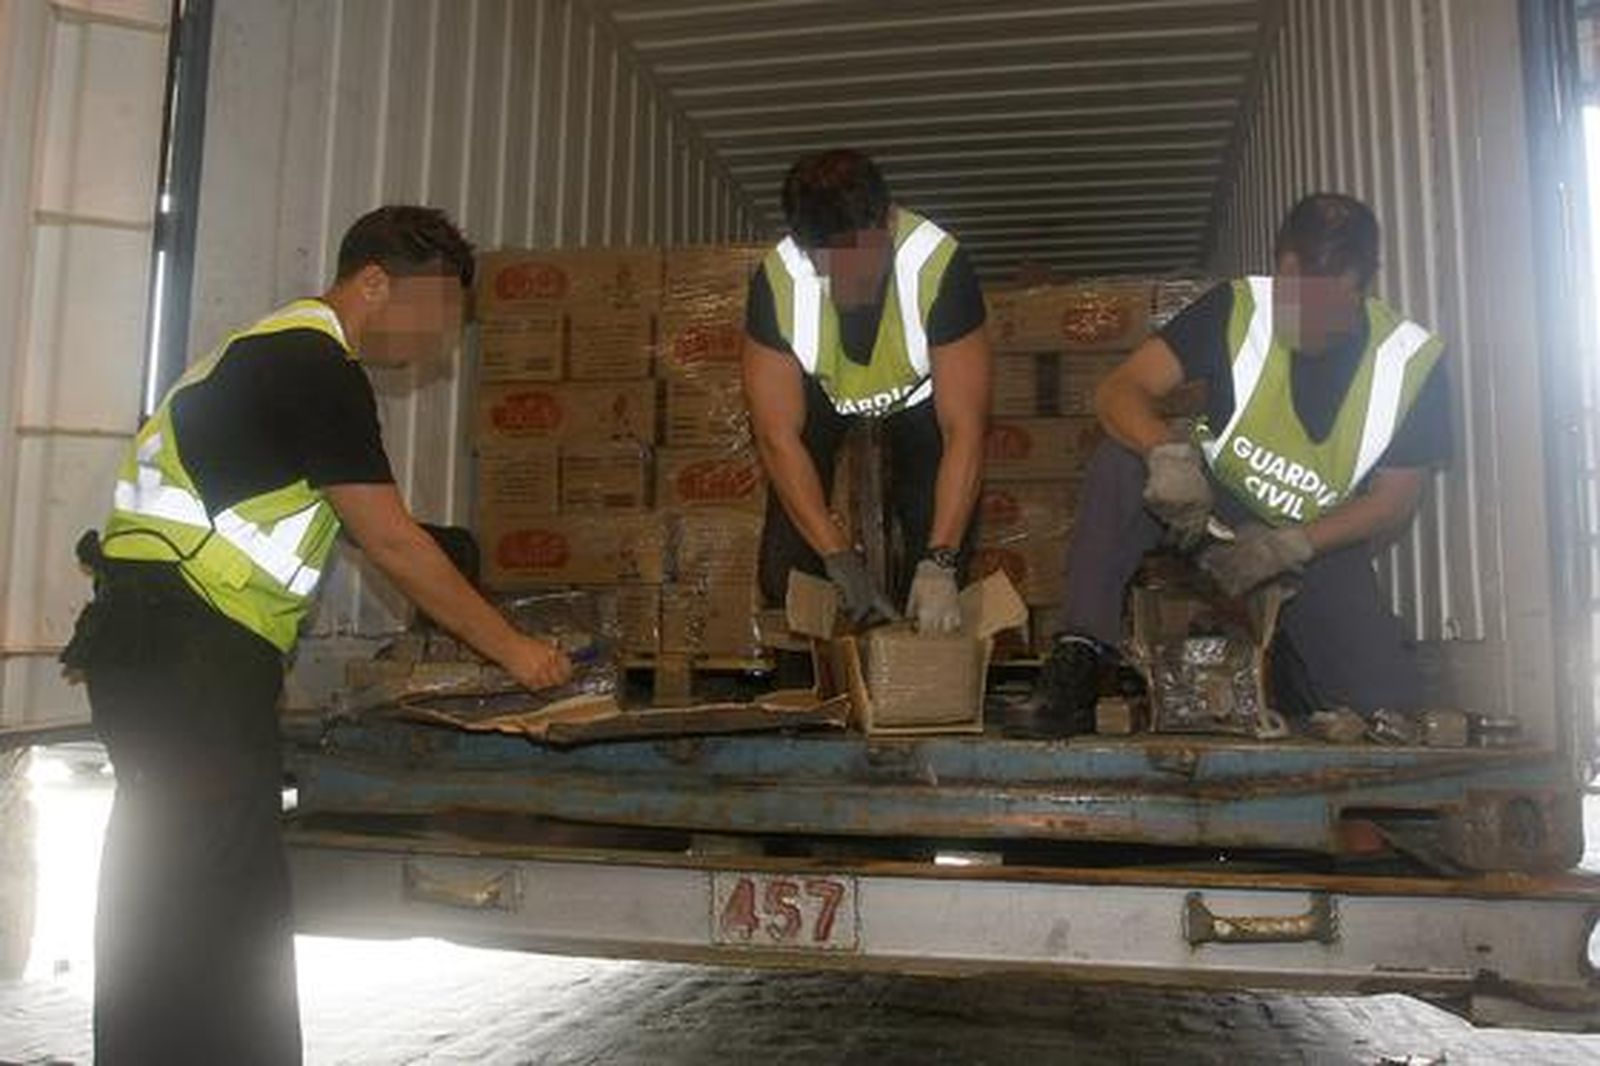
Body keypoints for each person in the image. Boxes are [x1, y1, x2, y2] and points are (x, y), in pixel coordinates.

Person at [61, 206, 573, 1064]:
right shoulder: (314, 364)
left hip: (156, 647)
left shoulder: (263, 352)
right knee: (219, 903)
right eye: (438, 314)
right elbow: (392, 541)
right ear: (376, 282)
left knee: (175, 890)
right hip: (188, 654)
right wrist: (517, 652)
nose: (441, 342)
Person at [1034, 193, 1450, 736]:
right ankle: (1080, 652)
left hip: (1311, 543)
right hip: (1207, 509)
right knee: (1121, 462)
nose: (1318, 321)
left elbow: (1395, 503)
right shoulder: (1235, 308)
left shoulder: (1410, 361)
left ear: (1365, 283)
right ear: (1284, 268)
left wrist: (1291, 545)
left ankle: (1301, 678)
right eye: (1304, 298)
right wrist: (1168, 455)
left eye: (1338, 303)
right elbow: (1120, 391)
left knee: (1389, 711)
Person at [742, 149, 993, 633]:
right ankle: (807, 693)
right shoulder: (778, 281)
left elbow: (966, 430)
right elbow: (778, 437)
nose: (849, 277)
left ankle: (921, 679)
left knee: (935, 548)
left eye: (862, 255)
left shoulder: (938, 265)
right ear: (804, 244)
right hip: (820, 394)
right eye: (829, 263)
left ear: (889, 218)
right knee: (788, 565)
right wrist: (836, 555)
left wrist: (939, 560)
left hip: (920, 396)